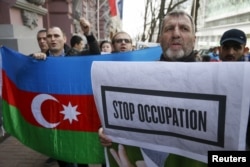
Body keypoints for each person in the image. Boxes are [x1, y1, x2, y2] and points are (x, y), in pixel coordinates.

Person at [98, 10, 205, 167]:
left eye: (184, 28)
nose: (176, 34)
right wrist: (109, 132)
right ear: (160, 38)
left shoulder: (218, 82)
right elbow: (126, 116)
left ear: (194, 39)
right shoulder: (138, 77)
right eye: (169, 29)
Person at [32, 18, 101, 167]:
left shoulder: (76, 55)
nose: (52, 39)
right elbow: (22, 73)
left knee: (82, 158)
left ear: (64, 39)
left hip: (76, 112)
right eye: (49, 36)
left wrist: (88, 33)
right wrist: (33, 60)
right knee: (63, 159)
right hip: (54, 115)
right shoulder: (39, 59)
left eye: (56, 36)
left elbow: (96, 53)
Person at [219, 28, 250, 149]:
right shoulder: (211, 74)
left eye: (236, 47)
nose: (230, 52)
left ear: (245, 50)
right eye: (226, 47)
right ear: (220, 49)